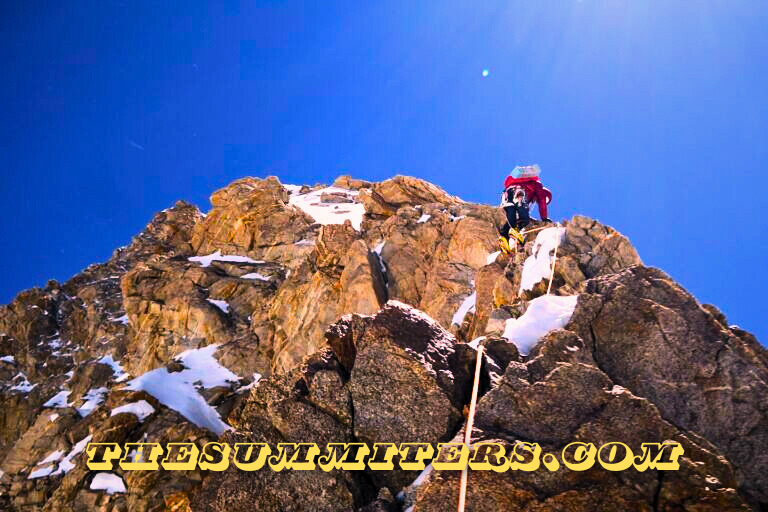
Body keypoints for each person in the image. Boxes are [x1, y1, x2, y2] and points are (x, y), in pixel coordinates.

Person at [499, 166, 552, 245]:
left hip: (507, 192)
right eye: (546, 200)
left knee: (512, 212)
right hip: (518, 191)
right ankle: (516, 232)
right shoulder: (538, 185)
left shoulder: (527, 187)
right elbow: (542, 201)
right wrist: (544, 218)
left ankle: (504, 237)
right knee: (524, 218)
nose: (536, 201)